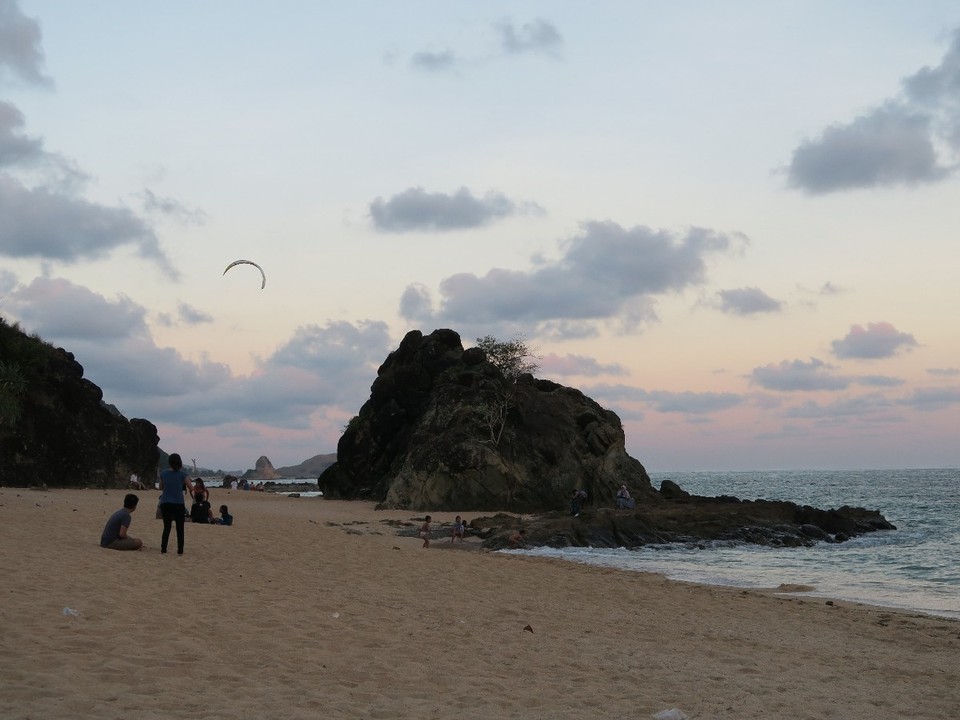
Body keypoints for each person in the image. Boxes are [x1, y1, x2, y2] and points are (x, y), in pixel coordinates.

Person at [158, 453, 194, 555]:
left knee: (167, 527)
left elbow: (160, 488)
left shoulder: (163, 473)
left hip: (165, 503)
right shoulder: (182, 474)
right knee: (180, 528)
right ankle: (180, 550)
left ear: (169, 462)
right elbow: (191, 487)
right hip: (178, 503)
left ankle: (163, 549)